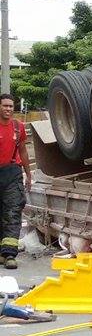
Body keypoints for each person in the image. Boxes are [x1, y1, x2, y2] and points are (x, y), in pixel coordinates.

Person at [0, 95, 31, 269]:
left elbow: (24, 152)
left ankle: (10, 254)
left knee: (12, 212)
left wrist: (28, 174)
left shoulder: (18, 128)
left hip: (12, 174)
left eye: (11, 106)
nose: (8, 109)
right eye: (5, 106)